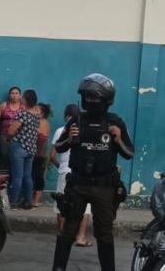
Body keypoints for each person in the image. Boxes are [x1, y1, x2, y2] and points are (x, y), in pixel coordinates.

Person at [52, 74, 134, 271]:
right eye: (87, 97)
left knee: (105, 233)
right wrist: (70, 140)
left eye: (95, 98)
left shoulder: (115, 123)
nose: (91, 101)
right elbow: (58, 147)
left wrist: (119, 140)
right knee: (68, 232)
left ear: (106, 100)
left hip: (104, 188)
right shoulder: (76, 120)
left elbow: (129, 153)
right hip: (78, 185)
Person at [50, 104, 92, 247]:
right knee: (86, 207)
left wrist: (60, 167)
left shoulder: (60, 131)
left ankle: (63, 234)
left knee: (61, 203)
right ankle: (81, 237)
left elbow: (52, 155)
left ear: (65, 116)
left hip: (64, 172)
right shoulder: (86, 130)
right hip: (82, 173)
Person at [7, 89, 40, 210]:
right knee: (27, 176)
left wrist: (9, 139)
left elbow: (11, 131)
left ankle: (14, 202)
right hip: (31, 149)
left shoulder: (23, 114)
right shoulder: (37, 116)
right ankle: (28, 202)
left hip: (19, 148)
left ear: (25, 100)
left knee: (17, 176)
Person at [32, 103, 51, 207]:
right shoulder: (45, 122)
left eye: (36, 110)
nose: (34, 111)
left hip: (39, 154)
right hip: (40, 153)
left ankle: (36, 200)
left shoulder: (40, 122)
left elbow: (41, 137)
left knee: (37, 176)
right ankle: (35, 199)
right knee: (36, 176)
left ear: (42, 113)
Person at [0, 87, 24, 165]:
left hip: (19, 137)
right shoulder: (4, 105)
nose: (14, 95)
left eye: (16, 93)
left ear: (20, 95)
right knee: (4, 157)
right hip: (5, 136)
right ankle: (5, 176)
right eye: (12, 93)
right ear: (9, 95)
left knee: (16, 158)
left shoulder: (23, 107)